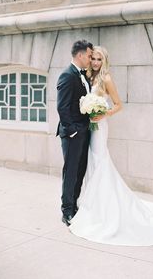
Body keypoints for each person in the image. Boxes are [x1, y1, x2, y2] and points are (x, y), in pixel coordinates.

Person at [68, 45, 153, 246]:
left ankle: (104, 210)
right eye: (93, 58)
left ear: (104, 61)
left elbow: (119, 105)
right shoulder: (85, 76)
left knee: (100, 161)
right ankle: (92, 205)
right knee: (91, 163)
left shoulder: (106, 79)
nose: (95, 62)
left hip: (100, 127)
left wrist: (104, 113)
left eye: (99, 59)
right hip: (88, 127)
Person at [56, 39, 93, 226]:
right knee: (71, 172)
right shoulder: (67, 75)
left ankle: (75, 204)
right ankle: (67, 210)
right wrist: (72, 131)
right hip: (73, 134)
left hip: (85, 131)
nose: (90, 59)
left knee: (80, 170)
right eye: (88, 55)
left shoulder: (83, 75)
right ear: (79, 55)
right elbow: (62, 107)